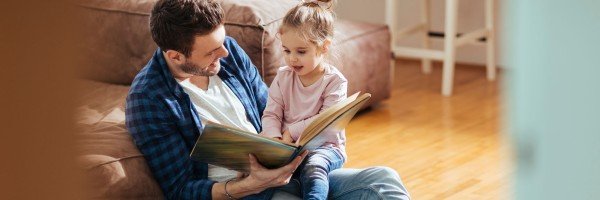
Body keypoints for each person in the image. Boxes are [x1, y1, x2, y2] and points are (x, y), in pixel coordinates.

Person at [125, 0, 411, 199]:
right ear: (176, 56)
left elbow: (270, 109)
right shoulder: (149, 100)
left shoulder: (229, 52)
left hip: (288, 172)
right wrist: (249, 185)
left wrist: (301, 138)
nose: (224, 54)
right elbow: (181, 191)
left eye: (222, 43)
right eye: (211, 52)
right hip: (243, 192)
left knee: (382, 180)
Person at [260, 0, 348, 199]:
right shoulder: (283, 77)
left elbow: (326, 122)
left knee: (314, 167)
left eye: (301, 52)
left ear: (324, 46)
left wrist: (292, 131)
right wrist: (274, 139)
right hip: (287, 146)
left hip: (324, 148)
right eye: (286, 50)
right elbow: (271, 113)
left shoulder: (335, 82)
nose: (292, 59)